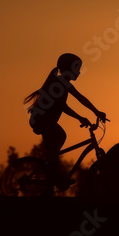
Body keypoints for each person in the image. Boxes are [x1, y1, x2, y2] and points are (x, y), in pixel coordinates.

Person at [24, 53, 107, 190]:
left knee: (57, 145)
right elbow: (72, 103)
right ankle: (52, 172)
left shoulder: (62, 83)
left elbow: (70, 103)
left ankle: (52, 175)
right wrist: (91, 114)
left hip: (44, 121)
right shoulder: (60, 83)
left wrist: (87, 115)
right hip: (42, 121)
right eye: (77, 69)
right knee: (60, 137)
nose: (79, 72)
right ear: (69, 69)